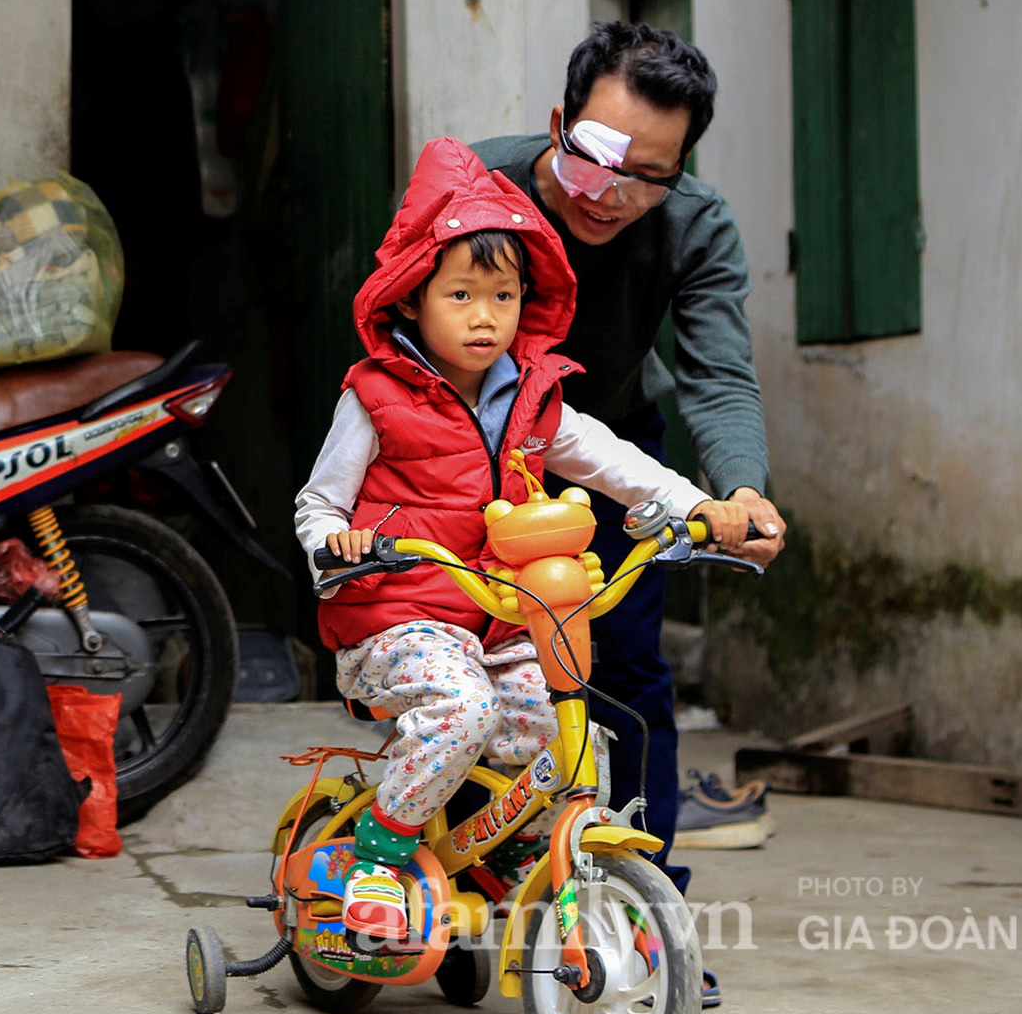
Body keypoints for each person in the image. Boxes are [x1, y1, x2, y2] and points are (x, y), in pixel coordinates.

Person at [293, 136, 753, 943]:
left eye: (502, 297)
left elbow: (618, 465)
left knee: (563, 722)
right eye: (461, 295)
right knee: (461, 709)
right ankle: (379, 854)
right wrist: (339, 544)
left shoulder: (536, 401)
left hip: (500, 616)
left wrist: (701, 506)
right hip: (397, 615)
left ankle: (518, 852)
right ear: (411, 300)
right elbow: (318, 503)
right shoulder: (374, 398)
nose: (484, 317)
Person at [470, 22, 787, 912]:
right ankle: (464, 877)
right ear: (558, 121)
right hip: (471, 453)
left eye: (650, 174)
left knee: (624, 667)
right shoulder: (476, 185)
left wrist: (741, 491)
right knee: (471, 660)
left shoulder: (693, 225)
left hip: (615, 455)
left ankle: (640, 910)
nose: (611, 194)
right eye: (597, 155)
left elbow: (717, 371)